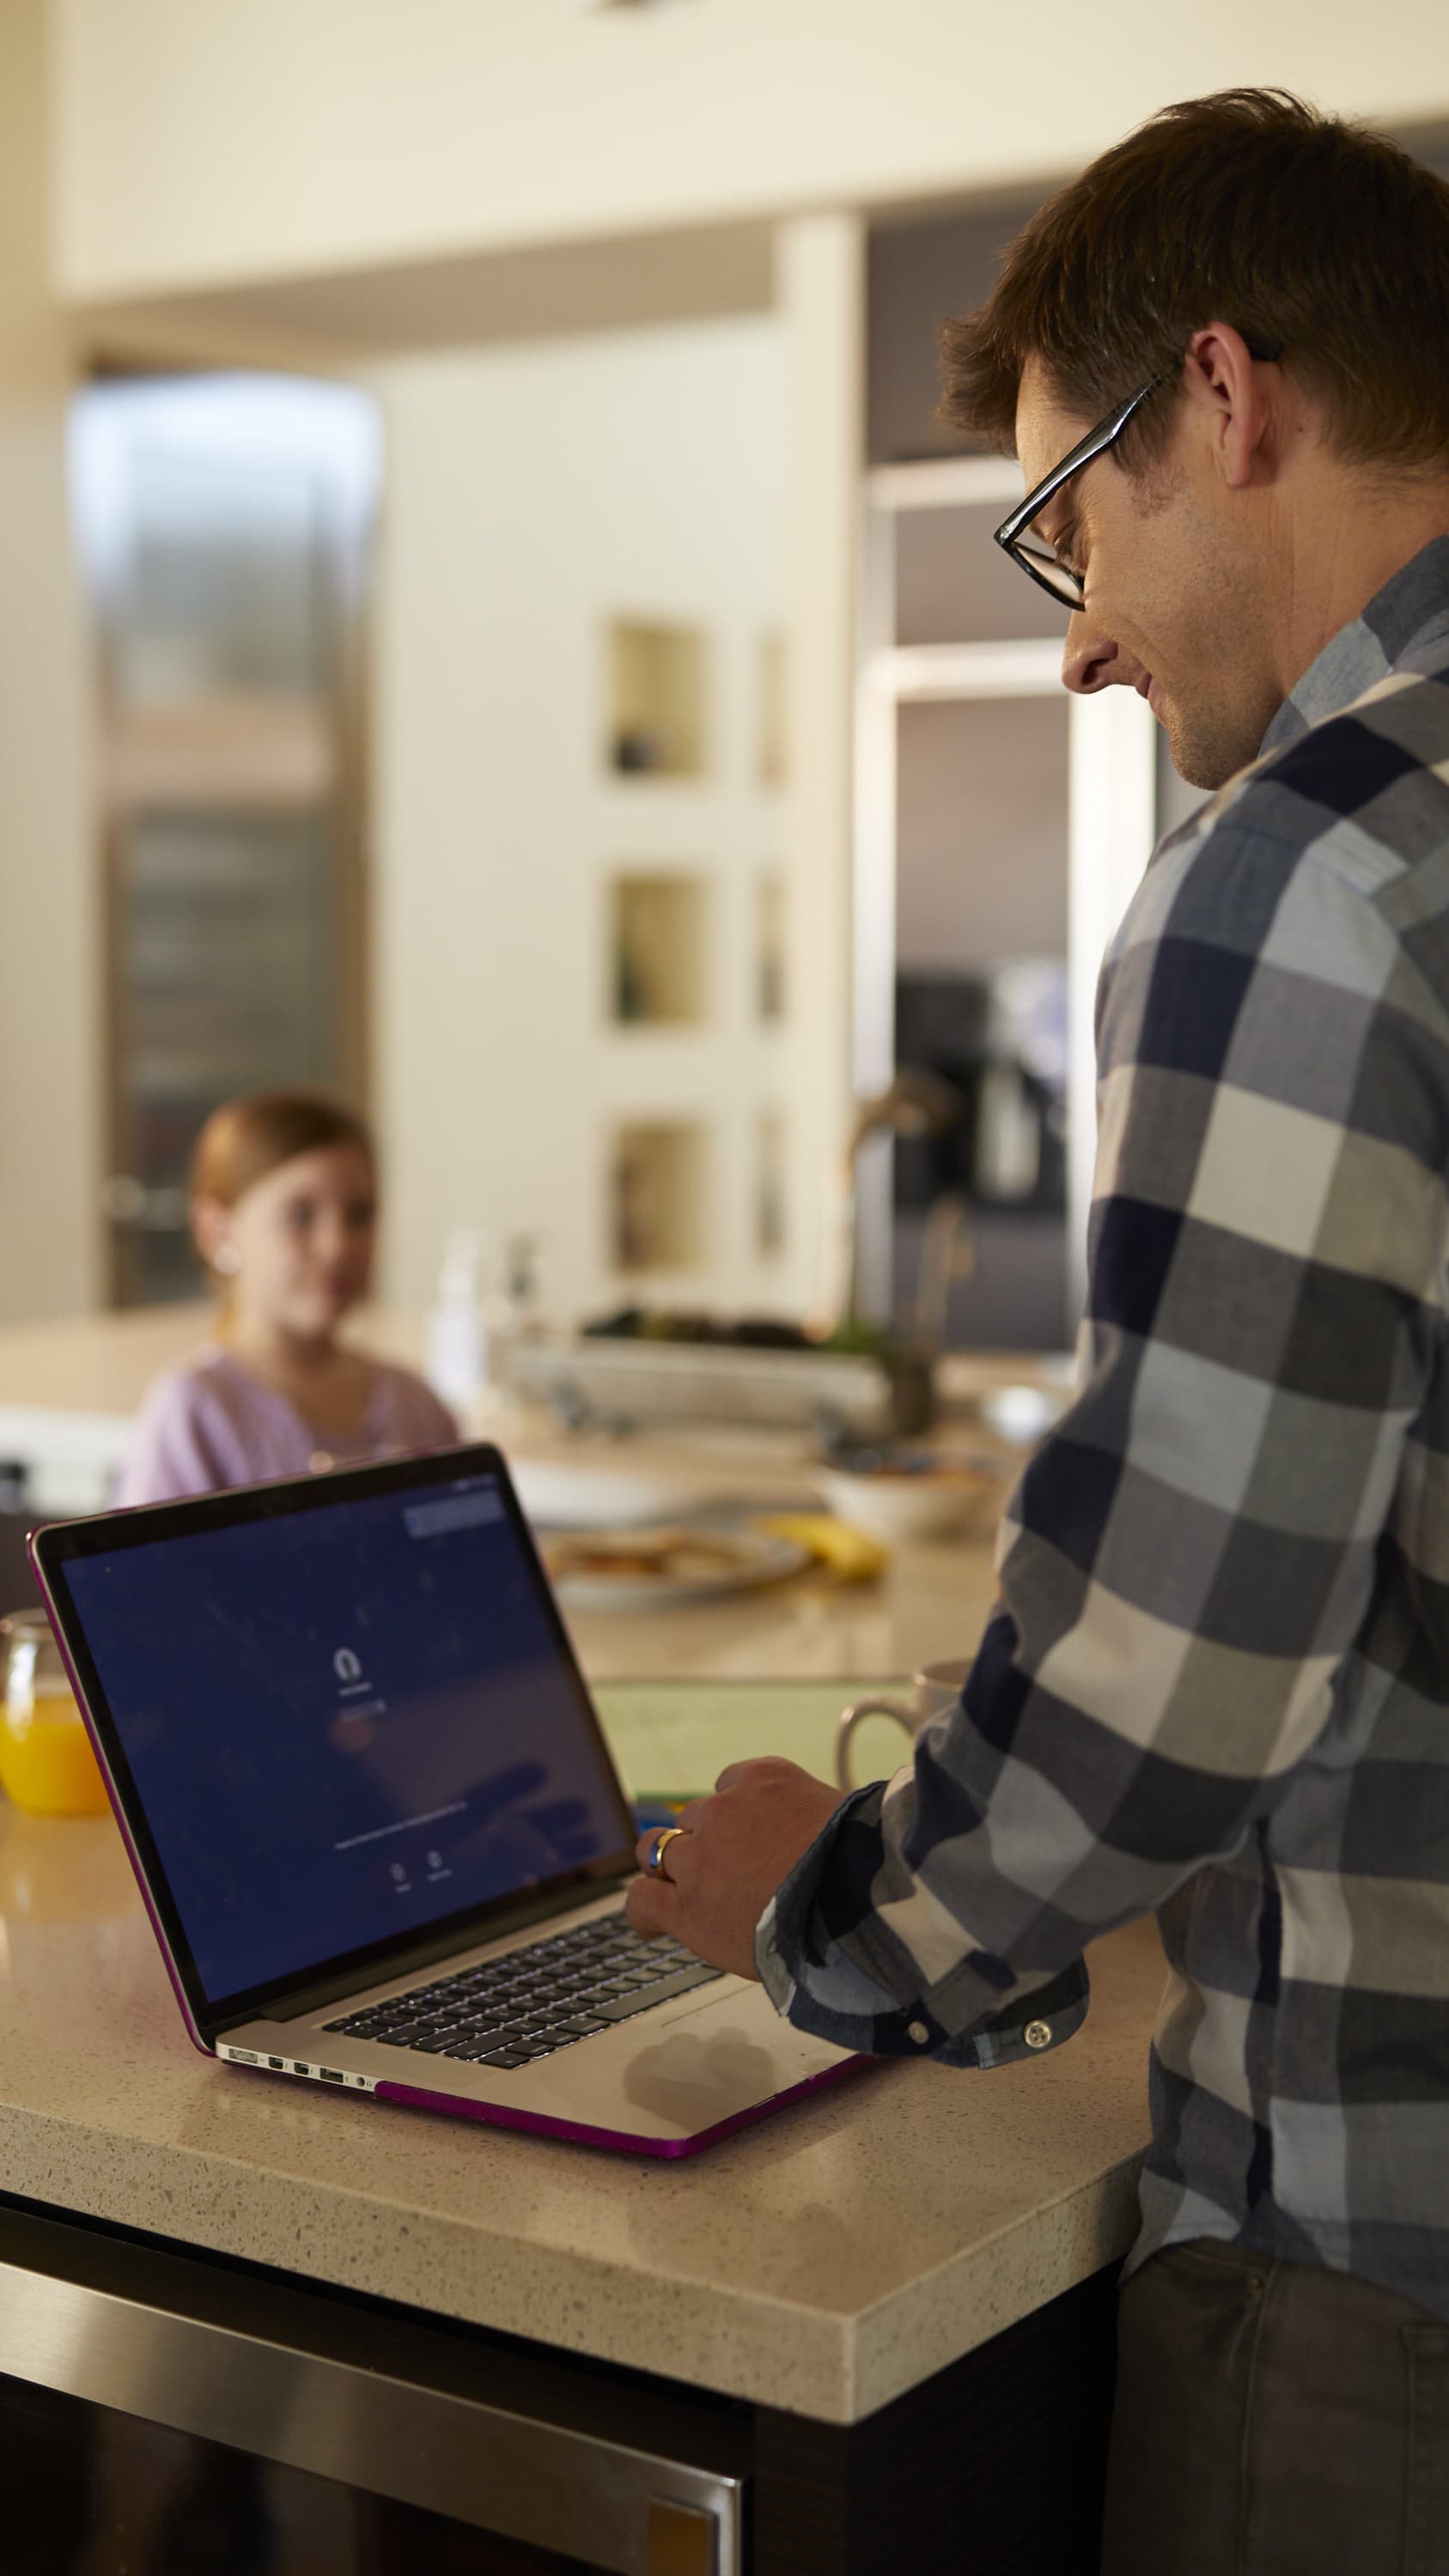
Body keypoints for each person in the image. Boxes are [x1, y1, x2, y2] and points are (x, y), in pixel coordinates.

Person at [625, 91, 1449, 2573]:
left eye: (1063, 521)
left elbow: (1161, 1686)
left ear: (1219, 399)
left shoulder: (1298, 872)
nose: (1073, 634)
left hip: (1372, 2258)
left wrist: (833, 1904)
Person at [117, 1091, 458, 1505]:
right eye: (299, 1215)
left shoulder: (413, 1404)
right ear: (217, 1231)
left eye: (360, 1215)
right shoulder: (196, 1411)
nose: (337, 1247)